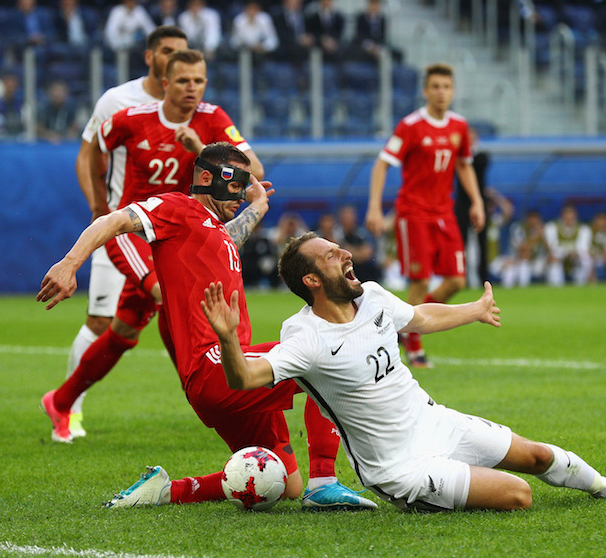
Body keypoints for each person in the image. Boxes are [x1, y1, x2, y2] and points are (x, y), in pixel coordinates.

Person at [200, 231, 606, 512]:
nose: (346, 255)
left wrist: (474, 309)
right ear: (311, 281)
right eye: (331, 256)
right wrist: (226, 335)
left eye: (340, 249)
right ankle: (433, 491)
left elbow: (419, 317)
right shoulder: (304, 339)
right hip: (399, 467)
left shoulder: (372, 296)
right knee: (519, 495)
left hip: (436, 422)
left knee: (534, 457)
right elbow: (245, 378)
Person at [38, 143, 377, 511]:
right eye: (235, 186)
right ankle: (325, 480)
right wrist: (70, 263)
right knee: (326, 354)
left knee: (284, 482)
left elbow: (223, 239)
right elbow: (113, 220)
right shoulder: (177, 209)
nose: (241, 194)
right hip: (215, 368)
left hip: (232, 375)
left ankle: (167, 490)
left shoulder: (211, 230)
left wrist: (258, 207)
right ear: (205, 178)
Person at [43, 48, 264, 443]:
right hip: (138, 231)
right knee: (169, 296)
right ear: (165, 81)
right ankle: (204, 390)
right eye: (183, 80)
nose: (191, 88)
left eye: (198, 80)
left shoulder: (213, 119)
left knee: (124, 331)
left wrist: (199, 147)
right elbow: (91, 150)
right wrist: (99, 203)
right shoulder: (129, 117)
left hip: (182, 236)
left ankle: (61, 401)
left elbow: (254, 174)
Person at [59, 26, 188, 439]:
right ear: (150, 56)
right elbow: (87, 154)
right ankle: (69, 412)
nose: (174, 60)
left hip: (169, 235)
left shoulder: (193, 106)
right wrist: (100, 210)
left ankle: (212, 396)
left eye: (181, 54)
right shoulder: (118, 101)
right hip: (123, 229)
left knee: (163, 318)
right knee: (101, 320)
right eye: (167, 52)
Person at [365, 63, 485, 369]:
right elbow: (382, 164)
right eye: (435, 87)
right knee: (419, 281)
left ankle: (407, 322)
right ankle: (415, 346)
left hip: (444, 212)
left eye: (446, 87)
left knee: (457, 280)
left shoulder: (459, 126)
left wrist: (477, 201)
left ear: (453, 90)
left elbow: (464, 165)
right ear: (425, 90)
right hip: (414, 213)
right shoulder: (410, 125)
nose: (441, 92)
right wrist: (375, 207)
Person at [455, 127, 490, 285]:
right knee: (462, 242)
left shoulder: (481, 156)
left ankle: (484, 277)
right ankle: (463, 276)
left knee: (482, 242)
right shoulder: (458, 158)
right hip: (462, 204)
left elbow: (477, 163)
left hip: (478, 202)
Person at [544, 204, 592, 287]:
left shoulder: (584, 229)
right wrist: (565, 253)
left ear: (576, 216)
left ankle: (580, 285)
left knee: (586, 259)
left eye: (571, 215)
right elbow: (552, 247)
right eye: (566, 215)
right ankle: (557, 287)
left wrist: (572, 253)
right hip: (557, 258)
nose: (569, 218)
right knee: (553, 261)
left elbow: (583, 248)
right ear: (562, 215)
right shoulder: (551, 227)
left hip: (575, 258)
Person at [501, 209, 547, 288]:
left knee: (554, 266)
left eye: (535, 220)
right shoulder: (518, 228)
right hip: (516, 260)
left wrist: (542, 237)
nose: (533, 223)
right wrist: (535, 237)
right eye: (531, 220)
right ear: (527, 220)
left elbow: (550, 250)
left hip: (537, 261)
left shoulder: (544, 229)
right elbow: (522, 249)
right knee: (520, 266)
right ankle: (521, 290)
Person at [338, 204, 383, 284]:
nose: (348, 220)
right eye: (346, 217)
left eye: (350, 217)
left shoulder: (362, 233)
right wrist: (357, 252)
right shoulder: (337, 234)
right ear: (341, 219)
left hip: (364, 271)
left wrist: (350, 251)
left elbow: (367, 253)